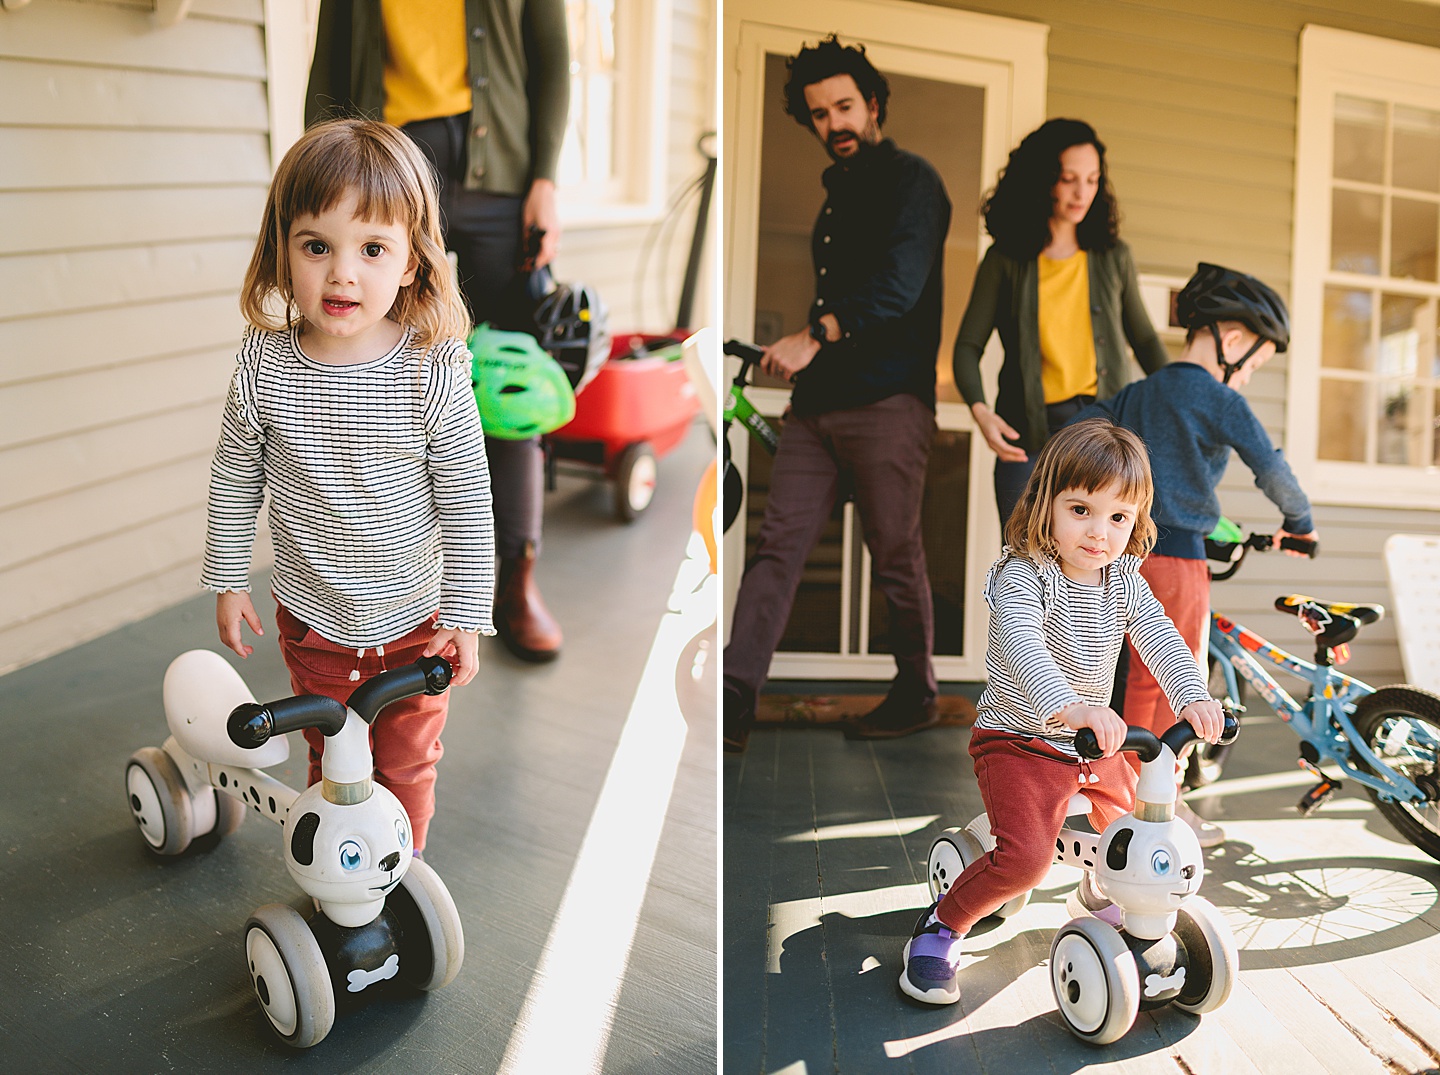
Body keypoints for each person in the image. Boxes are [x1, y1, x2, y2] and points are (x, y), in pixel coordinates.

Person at [200, 119, 494, 855]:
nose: (342, 273)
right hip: (314, 618)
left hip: (413, 619)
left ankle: (402, 869)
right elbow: (236, 473)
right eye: (317, 245)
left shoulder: (432, 369)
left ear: (410, 261)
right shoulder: (265, 365)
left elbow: (465, 496)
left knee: (406, 764)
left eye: (372, 249)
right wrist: (228, 578)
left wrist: (465, 611)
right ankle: (336, 872)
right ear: (283, 250)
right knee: (334, 761)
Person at [898, 417, 1224, 1006]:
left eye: (1118, 518)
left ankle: (1103, 895)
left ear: (1136, 522)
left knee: (1140, 828)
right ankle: (942, 925)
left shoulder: (1122, 577)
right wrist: (1068, 705)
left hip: (1095, 748)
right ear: (1045, 502)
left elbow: (1160, 636)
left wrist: (1192, 696)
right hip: (1018, 740)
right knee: (1027, 861)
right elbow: (1022, 644)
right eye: (1081, 510)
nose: (1100, 533)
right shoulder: (1020, 575)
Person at [306, 0, 570, 662]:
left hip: (501, 171)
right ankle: (384, 576)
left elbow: (552, 58)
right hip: (388, 174)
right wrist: (320, 184)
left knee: (507, 382)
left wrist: (546, 177)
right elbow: (327, 68)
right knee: (380, 375)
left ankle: (515, 580)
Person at [721, 35, 951, 750]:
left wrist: (812, 336)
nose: (834, 124)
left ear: (873, 105)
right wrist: (803, 361)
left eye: (845, 106)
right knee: (775, 547)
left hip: (888, 402)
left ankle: (915, 689)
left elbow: (898, 287)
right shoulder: (833, 197)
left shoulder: (914, 182)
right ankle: (733, 696)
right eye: (820, 114)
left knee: (895, 554)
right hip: (816, 410)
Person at [1076, 263, 1317, 846]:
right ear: (1232, 341)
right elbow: (1271, 466)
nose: (1250, 377)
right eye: (1255, 364)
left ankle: (1115, 797)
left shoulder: (1137, 393)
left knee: (1129, 681)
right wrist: (1300, 522)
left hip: (1121, 558)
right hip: (1180, 563)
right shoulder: (1220, 399)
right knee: (1173, 683)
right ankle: (1161, 805)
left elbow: (1096, 439)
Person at [951, 118, 1169, 526]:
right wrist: (981, 412)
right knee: (1024, 562)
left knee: (1097, 559)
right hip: (1025, 437)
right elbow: (967, 347)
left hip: (1100, 431)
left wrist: (1184, 393)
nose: (1081, 192)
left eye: (1092, 179)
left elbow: (1144, 340)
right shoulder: (1005, 261)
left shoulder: (1113, 256)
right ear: (1043, 180)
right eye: (1069, 178)